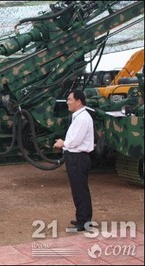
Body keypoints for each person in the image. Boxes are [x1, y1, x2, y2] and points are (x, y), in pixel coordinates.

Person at [53, 90, 94, 232]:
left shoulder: (82, 118)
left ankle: (83, 222)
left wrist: (62, 143)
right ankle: (83, 218)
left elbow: (75, 141)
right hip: (75, 157)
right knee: (79, 189)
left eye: (70, 99)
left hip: (78, 157)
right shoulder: (79, 117)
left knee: (80, 190)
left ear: (79, 101)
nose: (67, 102)